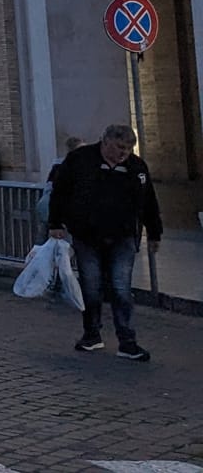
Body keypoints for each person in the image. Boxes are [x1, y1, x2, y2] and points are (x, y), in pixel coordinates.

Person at [47, 124, 163, 360]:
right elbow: (60, 192)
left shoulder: (136, 167)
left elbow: (148, 200)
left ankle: (127, 340)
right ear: (105, 142)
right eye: (120, 147)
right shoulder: (80, 160)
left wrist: (154, 233)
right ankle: (92, 334)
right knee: (91, 285)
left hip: (123, 236)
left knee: (121, 287)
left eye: (129, 149)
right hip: (87, 235)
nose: (124, 153)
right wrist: (55, 223)